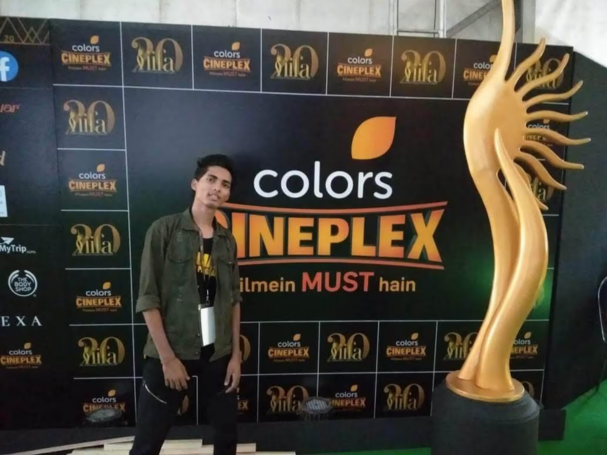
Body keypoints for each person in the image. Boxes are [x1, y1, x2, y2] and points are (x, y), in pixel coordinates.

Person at [130, 154, 242, 455]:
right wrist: (168, 360)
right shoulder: (163, 230)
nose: (217, 188)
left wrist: (235, 357)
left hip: (217, 354)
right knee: (146, 443)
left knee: (227, 439)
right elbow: (148, 298)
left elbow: (234, 299)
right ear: (195, 184)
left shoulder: (227, 241)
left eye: (225, 184)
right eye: (211, 180)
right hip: (172, 352)